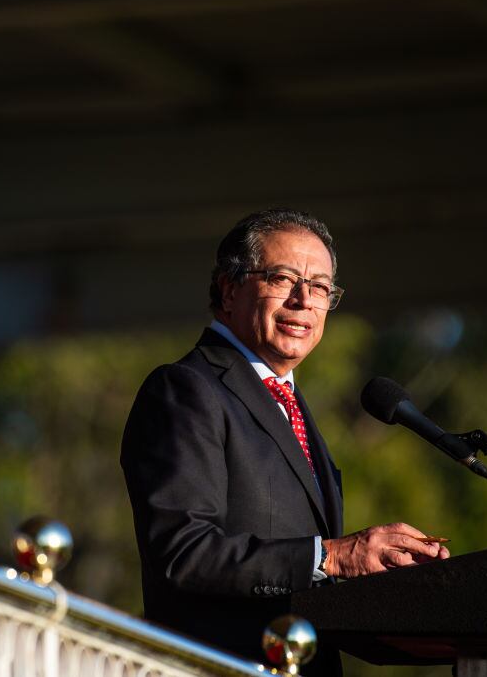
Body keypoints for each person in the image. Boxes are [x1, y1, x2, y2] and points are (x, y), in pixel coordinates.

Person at [120, 209, 449, 674]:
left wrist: (382, 571)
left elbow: (303, 574)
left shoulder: (289, 402)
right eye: (283, 278)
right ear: (230, 289)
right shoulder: (185, 389)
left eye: (319, 287)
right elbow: (183, 552)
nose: (303, 301)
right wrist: (332, 556)